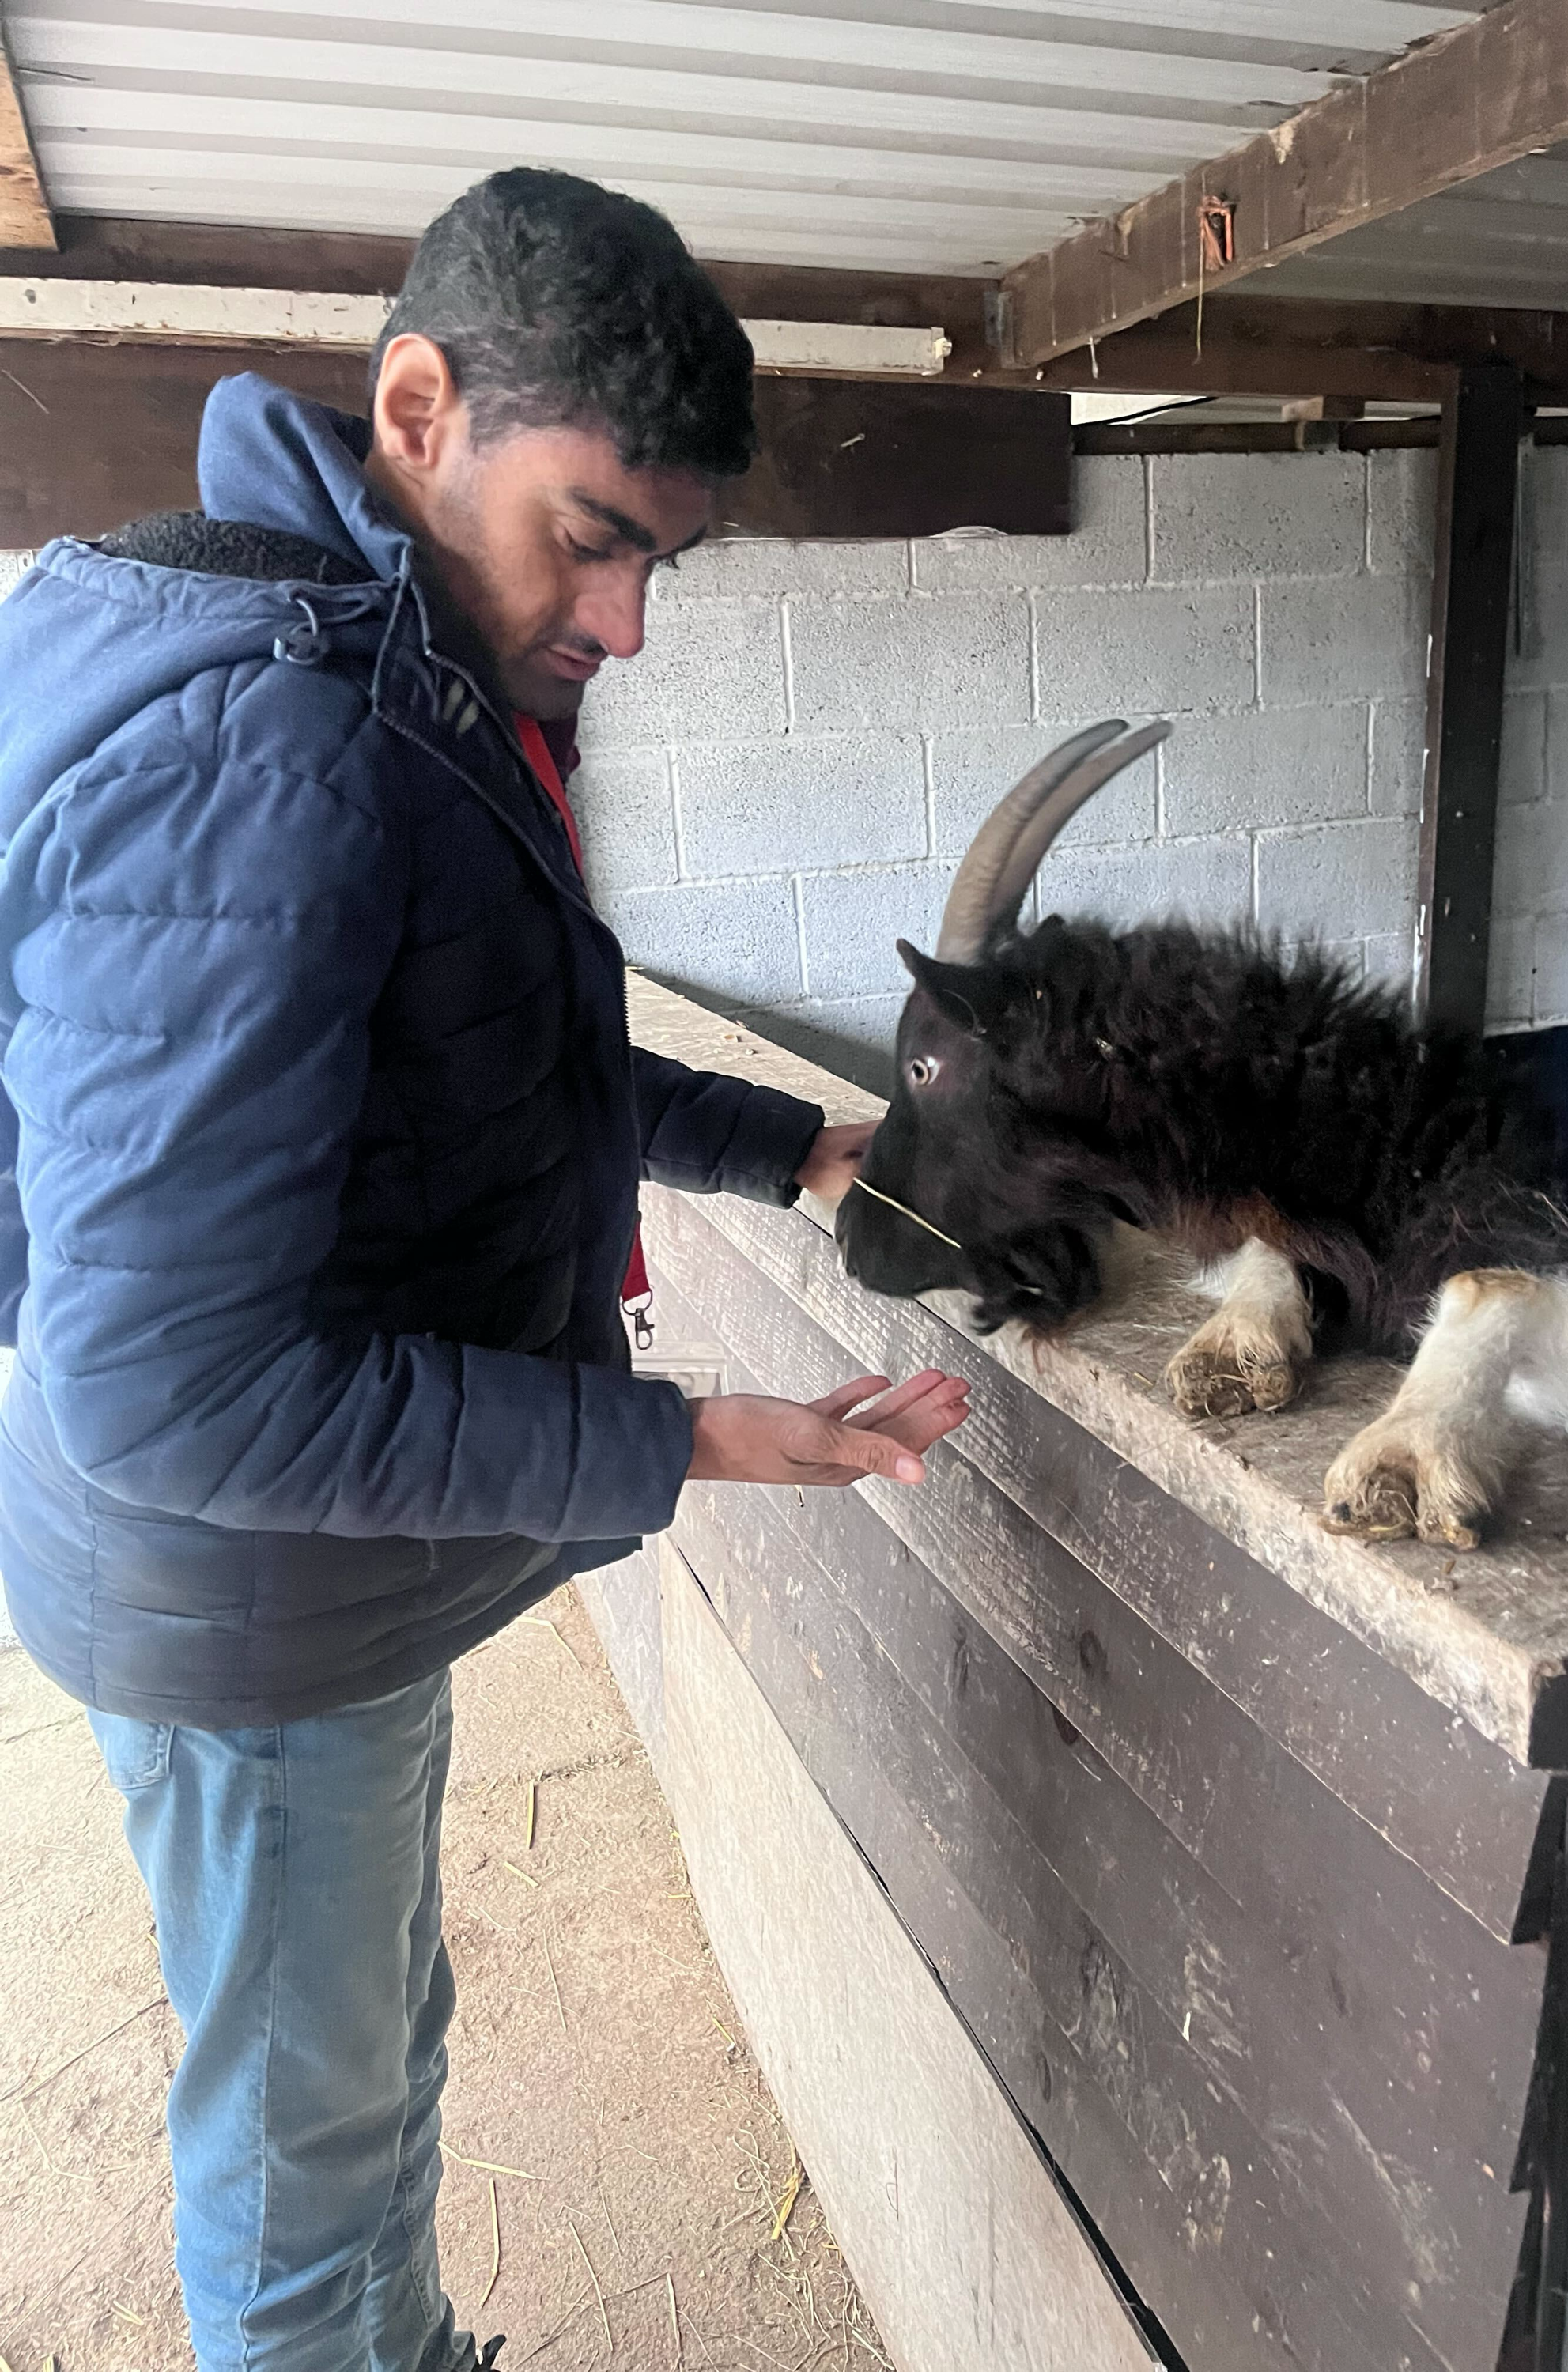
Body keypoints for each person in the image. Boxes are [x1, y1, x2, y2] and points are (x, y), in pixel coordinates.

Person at [0, 168, 969, 2372]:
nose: (628, 623)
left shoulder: (336, 638)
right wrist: (692, 1439)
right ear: (419, 409)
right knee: (304, 2158)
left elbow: (458, 1046)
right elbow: (176, 1387)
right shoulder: (278, 737)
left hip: (290, 1576)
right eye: (598, 537)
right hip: (237, 1586)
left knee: (354, 2054)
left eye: (661, 559)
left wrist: (778, 1140)